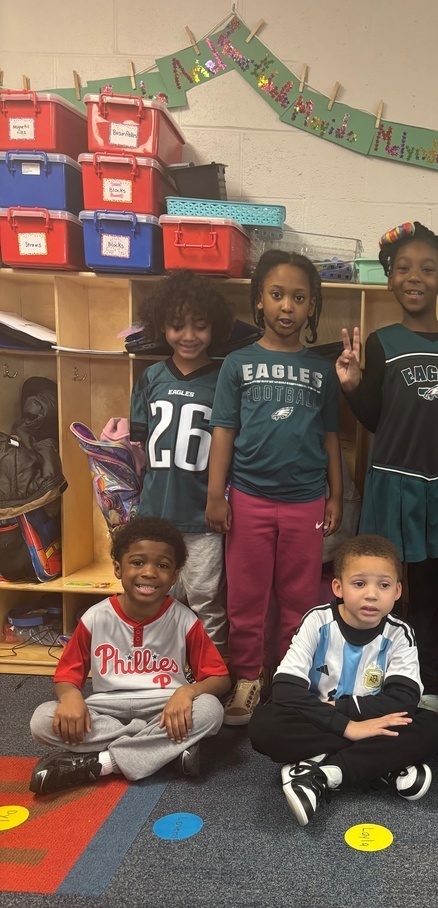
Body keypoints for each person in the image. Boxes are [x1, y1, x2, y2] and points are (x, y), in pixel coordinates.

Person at [336, 222, 438, 714]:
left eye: (427, 268)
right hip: (390, 483)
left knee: (427, 592)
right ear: (390, 279)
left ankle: (426, 683)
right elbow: (377, 419)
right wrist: (352, 387)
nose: (414, 276)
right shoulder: (382, 342)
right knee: (376, 587)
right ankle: (372, 678)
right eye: (403, 268)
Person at [206, 250, 343, 727]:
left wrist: (336, 495)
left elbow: (330, 438)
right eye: (278, 295)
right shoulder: (237, 364)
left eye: (299, 298)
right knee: (245, 598)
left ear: (312, 307)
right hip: (249, 499)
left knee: (299, 600)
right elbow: (223, 431)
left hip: (306, 501)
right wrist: (215, 494)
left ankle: (290, 678)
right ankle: (248, 677)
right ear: (260, 301)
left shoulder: (322, 370)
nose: (287, 306)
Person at [249, 534, 438, 825]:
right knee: (263, 725)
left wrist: (345, 713)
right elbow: (286, 690)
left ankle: (322, 773)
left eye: (383, 585)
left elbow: (403, 699)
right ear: (338, 587)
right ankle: (384, 764)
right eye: (359, 584)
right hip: (320, 717)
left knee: (434, 728)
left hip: (362, 718)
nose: (371, 595)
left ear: (397, 591)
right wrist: (349, 728)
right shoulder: (316, 621)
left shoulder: (399, 632)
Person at [28, 517, 229, 794]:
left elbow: (219, 678)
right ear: (118, 568)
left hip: (165, 707)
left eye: (163, 565)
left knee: (210, 710)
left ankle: (104, 762)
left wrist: (187, 692)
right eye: (137, 562)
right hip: (107, 709)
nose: (149, 572)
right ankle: (163, 750)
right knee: (42, 719)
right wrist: (71, 696)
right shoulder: (95, 617)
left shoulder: (185, 619)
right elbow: (66, 676)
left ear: (174, 576)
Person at [130, 270, 234, 656]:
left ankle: (212, 670)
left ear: (214, 327)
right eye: (177, 325)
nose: (188, 335)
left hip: (204, 521)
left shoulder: (224, 379)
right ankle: (157, 665)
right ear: (162, 326)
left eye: (199, 325)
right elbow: (138, 450)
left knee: (206, 599)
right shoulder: (150, 377)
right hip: (155, 516)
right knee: (156, 597)